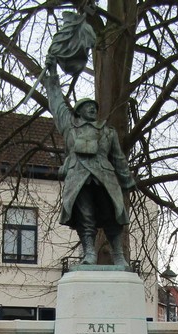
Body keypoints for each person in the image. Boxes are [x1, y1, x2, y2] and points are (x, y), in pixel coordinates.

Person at [42, 59, 135, 266]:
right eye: (87, 106)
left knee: (113, 215)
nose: (92, 109)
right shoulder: (69, 127)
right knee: (86, 217)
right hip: (79, 177)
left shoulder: (108, 132)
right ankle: (89, 253)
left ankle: (118, 254)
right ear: (78, 111)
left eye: (94, 107)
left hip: (104, 177)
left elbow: (118, 157)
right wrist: (52, 74)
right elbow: (57, 102)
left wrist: (126, 179)